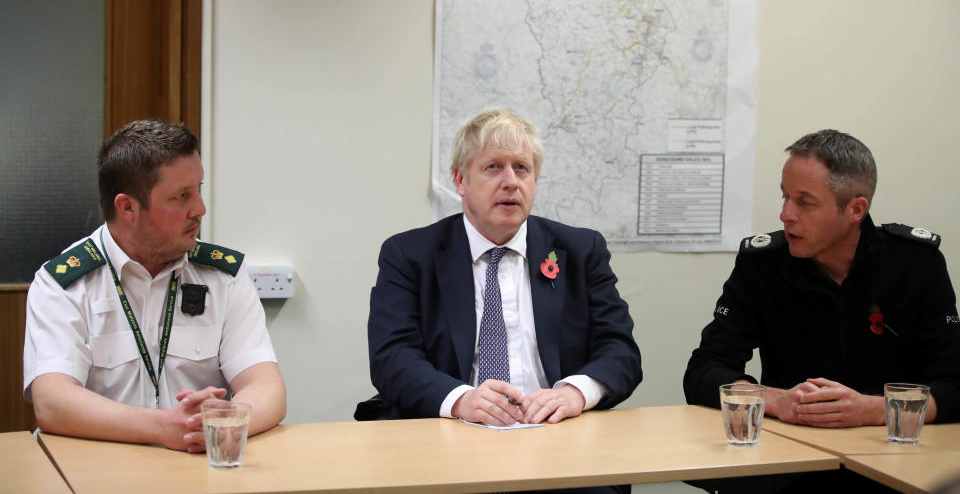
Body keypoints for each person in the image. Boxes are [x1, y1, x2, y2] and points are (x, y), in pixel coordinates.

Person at [368, 108, 642, 431]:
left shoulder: (581, 251)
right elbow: (392, 358)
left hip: (556, 435)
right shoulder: (409, 256)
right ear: (460, 180)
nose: (510, 182)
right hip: (453, 436)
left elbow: (620, 349)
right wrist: (461, 400)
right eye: (493, 167)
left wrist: (575, 393)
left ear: (535, 181)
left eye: (522, 168)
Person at [23, 119, 286, 453]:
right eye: (181, 196)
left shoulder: (225, 277)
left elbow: (266, 388)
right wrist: (163, 428)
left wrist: (220, 422)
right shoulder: (64, 284)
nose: (200, 209)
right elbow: (52, 402)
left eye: (199, 190)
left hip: (196, 468)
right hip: (96, 475)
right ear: (127, 207)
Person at [684, 129, 960, 428]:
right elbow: (705, 370)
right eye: (785, 196)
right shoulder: (763, 265)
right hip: (794, 453)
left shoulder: (915, 263)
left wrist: (875, 409)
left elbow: (954, 385)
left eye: (805, 202)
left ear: (856, 209)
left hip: (890, 450)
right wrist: (776, 400)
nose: (786, 214)